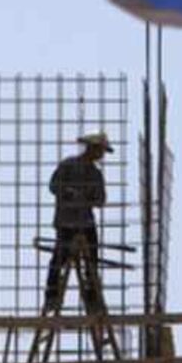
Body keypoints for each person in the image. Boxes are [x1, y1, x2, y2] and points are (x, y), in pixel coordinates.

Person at [44, 132, 113, 308]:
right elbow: (53, 186)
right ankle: (52, 295)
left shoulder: (95, 174)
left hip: (86, 223)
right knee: (59, 259)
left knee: (91, 263)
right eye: (100, 151)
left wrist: (89, 196)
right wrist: (69, 192)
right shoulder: (68, 165)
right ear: (92, 149)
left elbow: (101, 200)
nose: (101, 155)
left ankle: (92, 297)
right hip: (67, 222)